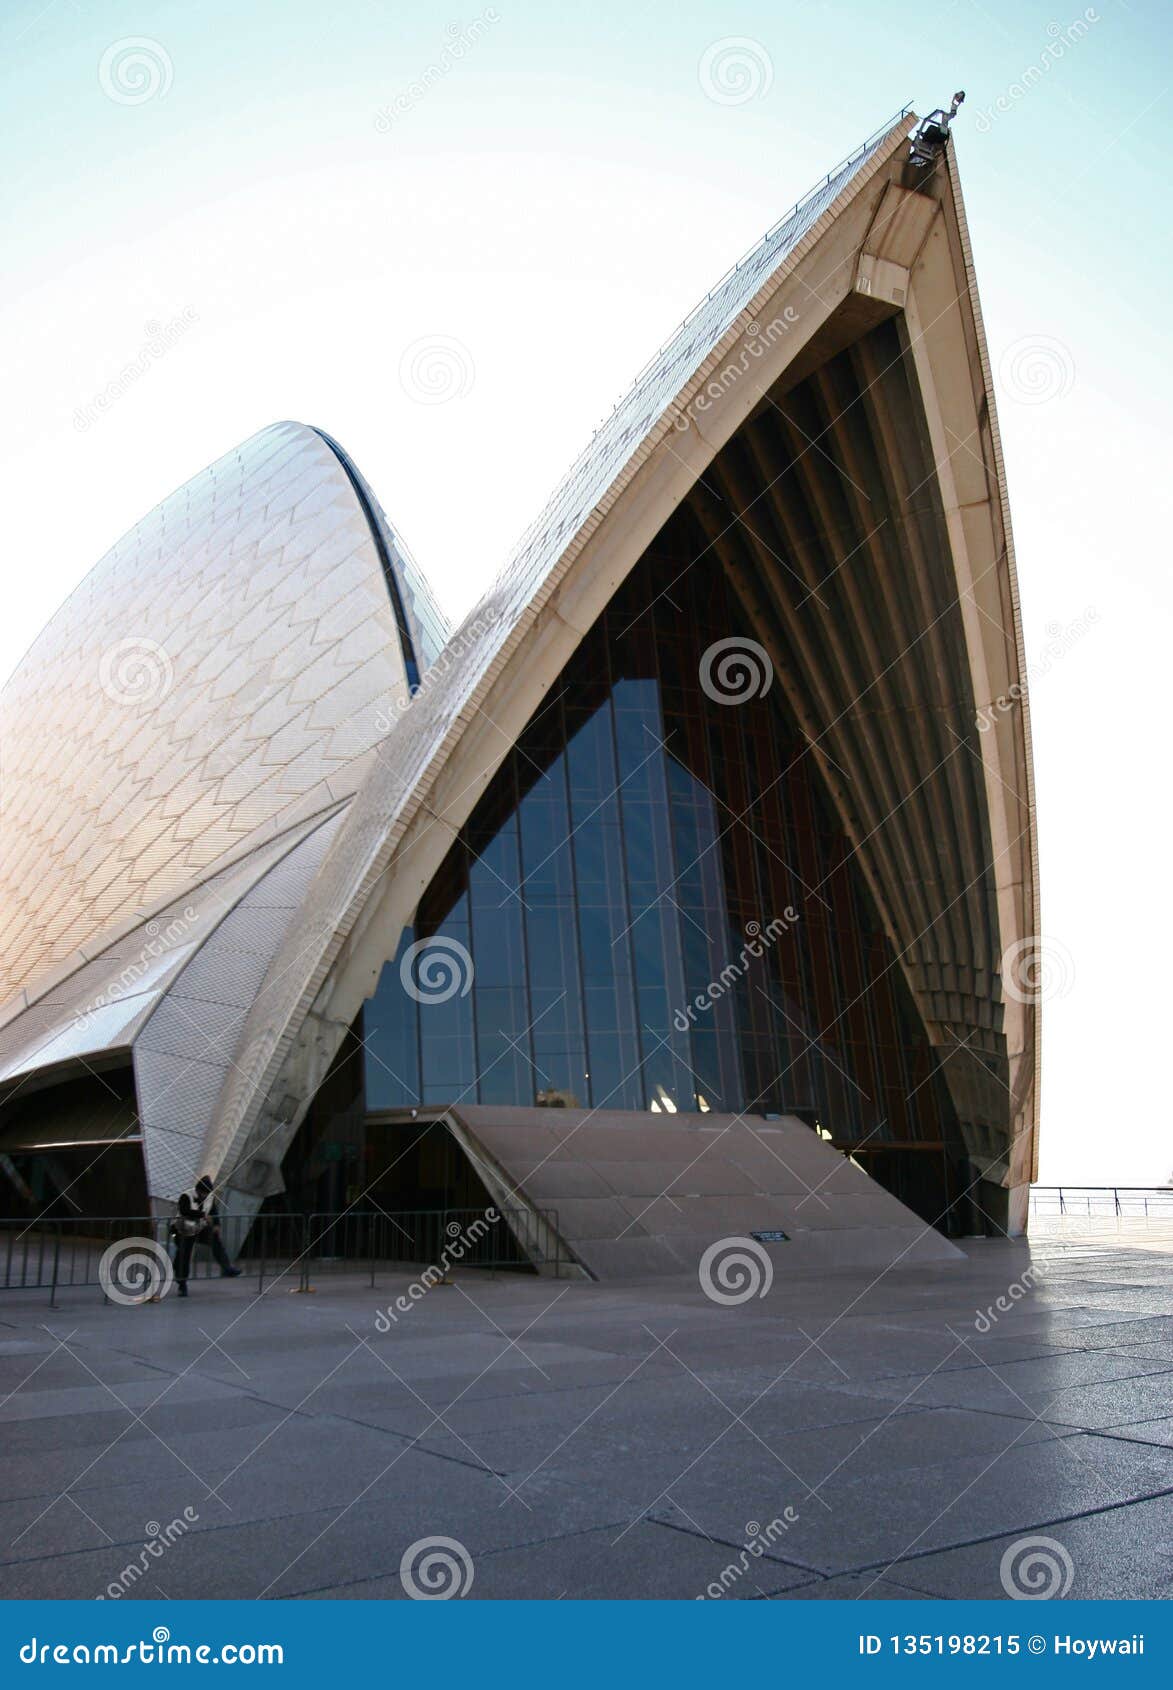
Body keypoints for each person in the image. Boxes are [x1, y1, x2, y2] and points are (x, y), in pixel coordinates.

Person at [172, 1175, 242, 1297]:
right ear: (198, 1190)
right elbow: (184, 1211)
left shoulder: (209, 1197)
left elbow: (214, 1211)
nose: (204, 1196)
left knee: (215, 1241)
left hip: (200, 1228)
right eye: (202, 1193)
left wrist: (216, 1224)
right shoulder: (186, 1196)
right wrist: (202, 1214)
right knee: (184, 1254)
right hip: (183, 1228)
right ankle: (182, 1284)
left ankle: (227, 1267)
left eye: (206, 1193)